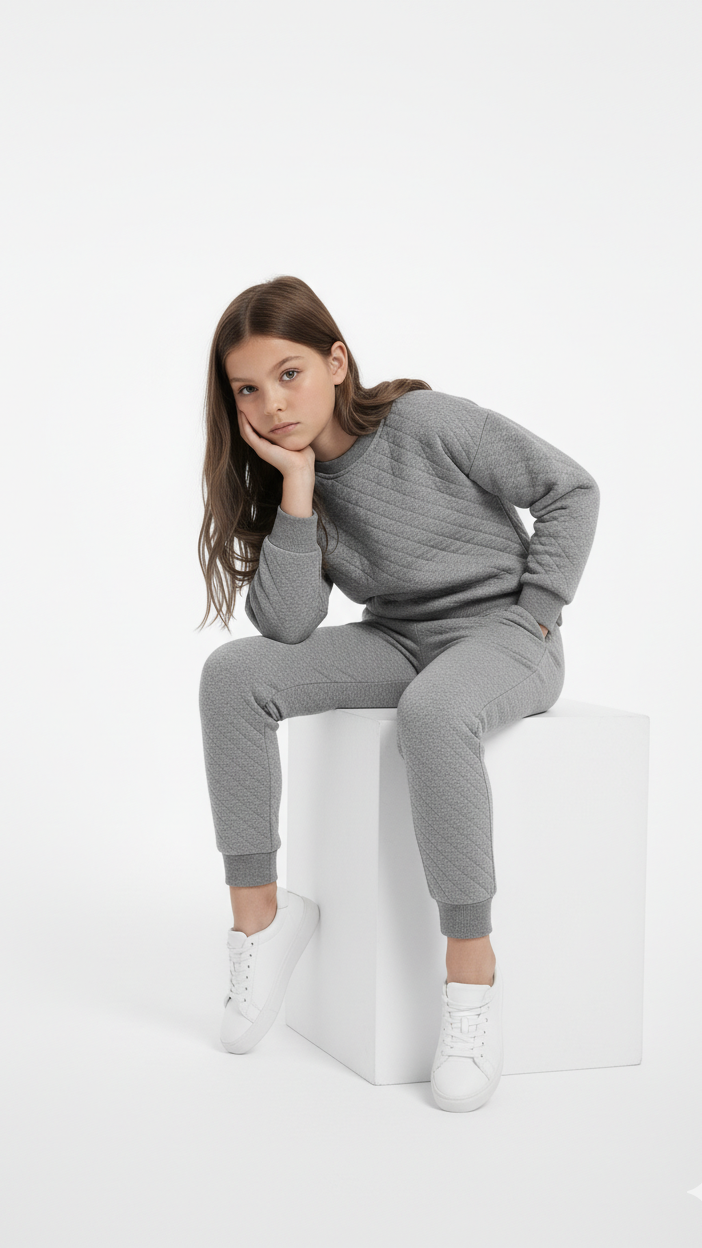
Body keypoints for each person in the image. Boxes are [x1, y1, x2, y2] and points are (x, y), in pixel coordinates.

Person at [197, 274, 600, 1113]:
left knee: (435, 713)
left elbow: (571, 488)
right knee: (233, 675)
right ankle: (261, 918)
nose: (272, 403)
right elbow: (288, 624)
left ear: (337, 362)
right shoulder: (293, 480)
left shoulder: (427, 423)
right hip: (398, 639)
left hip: (506, 636)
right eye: (248, 389)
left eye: (289, 373)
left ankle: (472, 977)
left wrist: (537, 611)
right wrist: (297, 487)